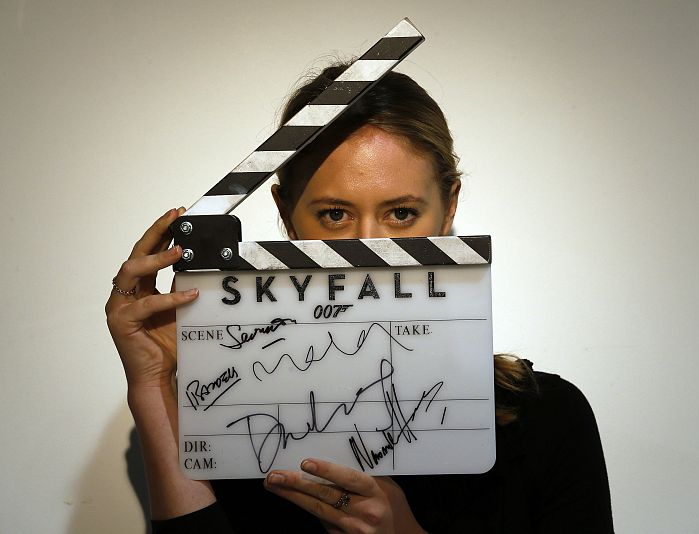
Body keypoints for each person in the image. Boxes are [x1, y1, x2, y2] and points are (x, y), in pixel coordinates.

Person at [106, 62, 614, 533]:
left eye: (400, 214)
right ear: (286, 215)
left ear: (448, 207)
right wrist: (152, 387)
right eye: (333, 215)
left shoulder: (547, 420)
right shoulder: (228, 425)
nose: (371, 250)